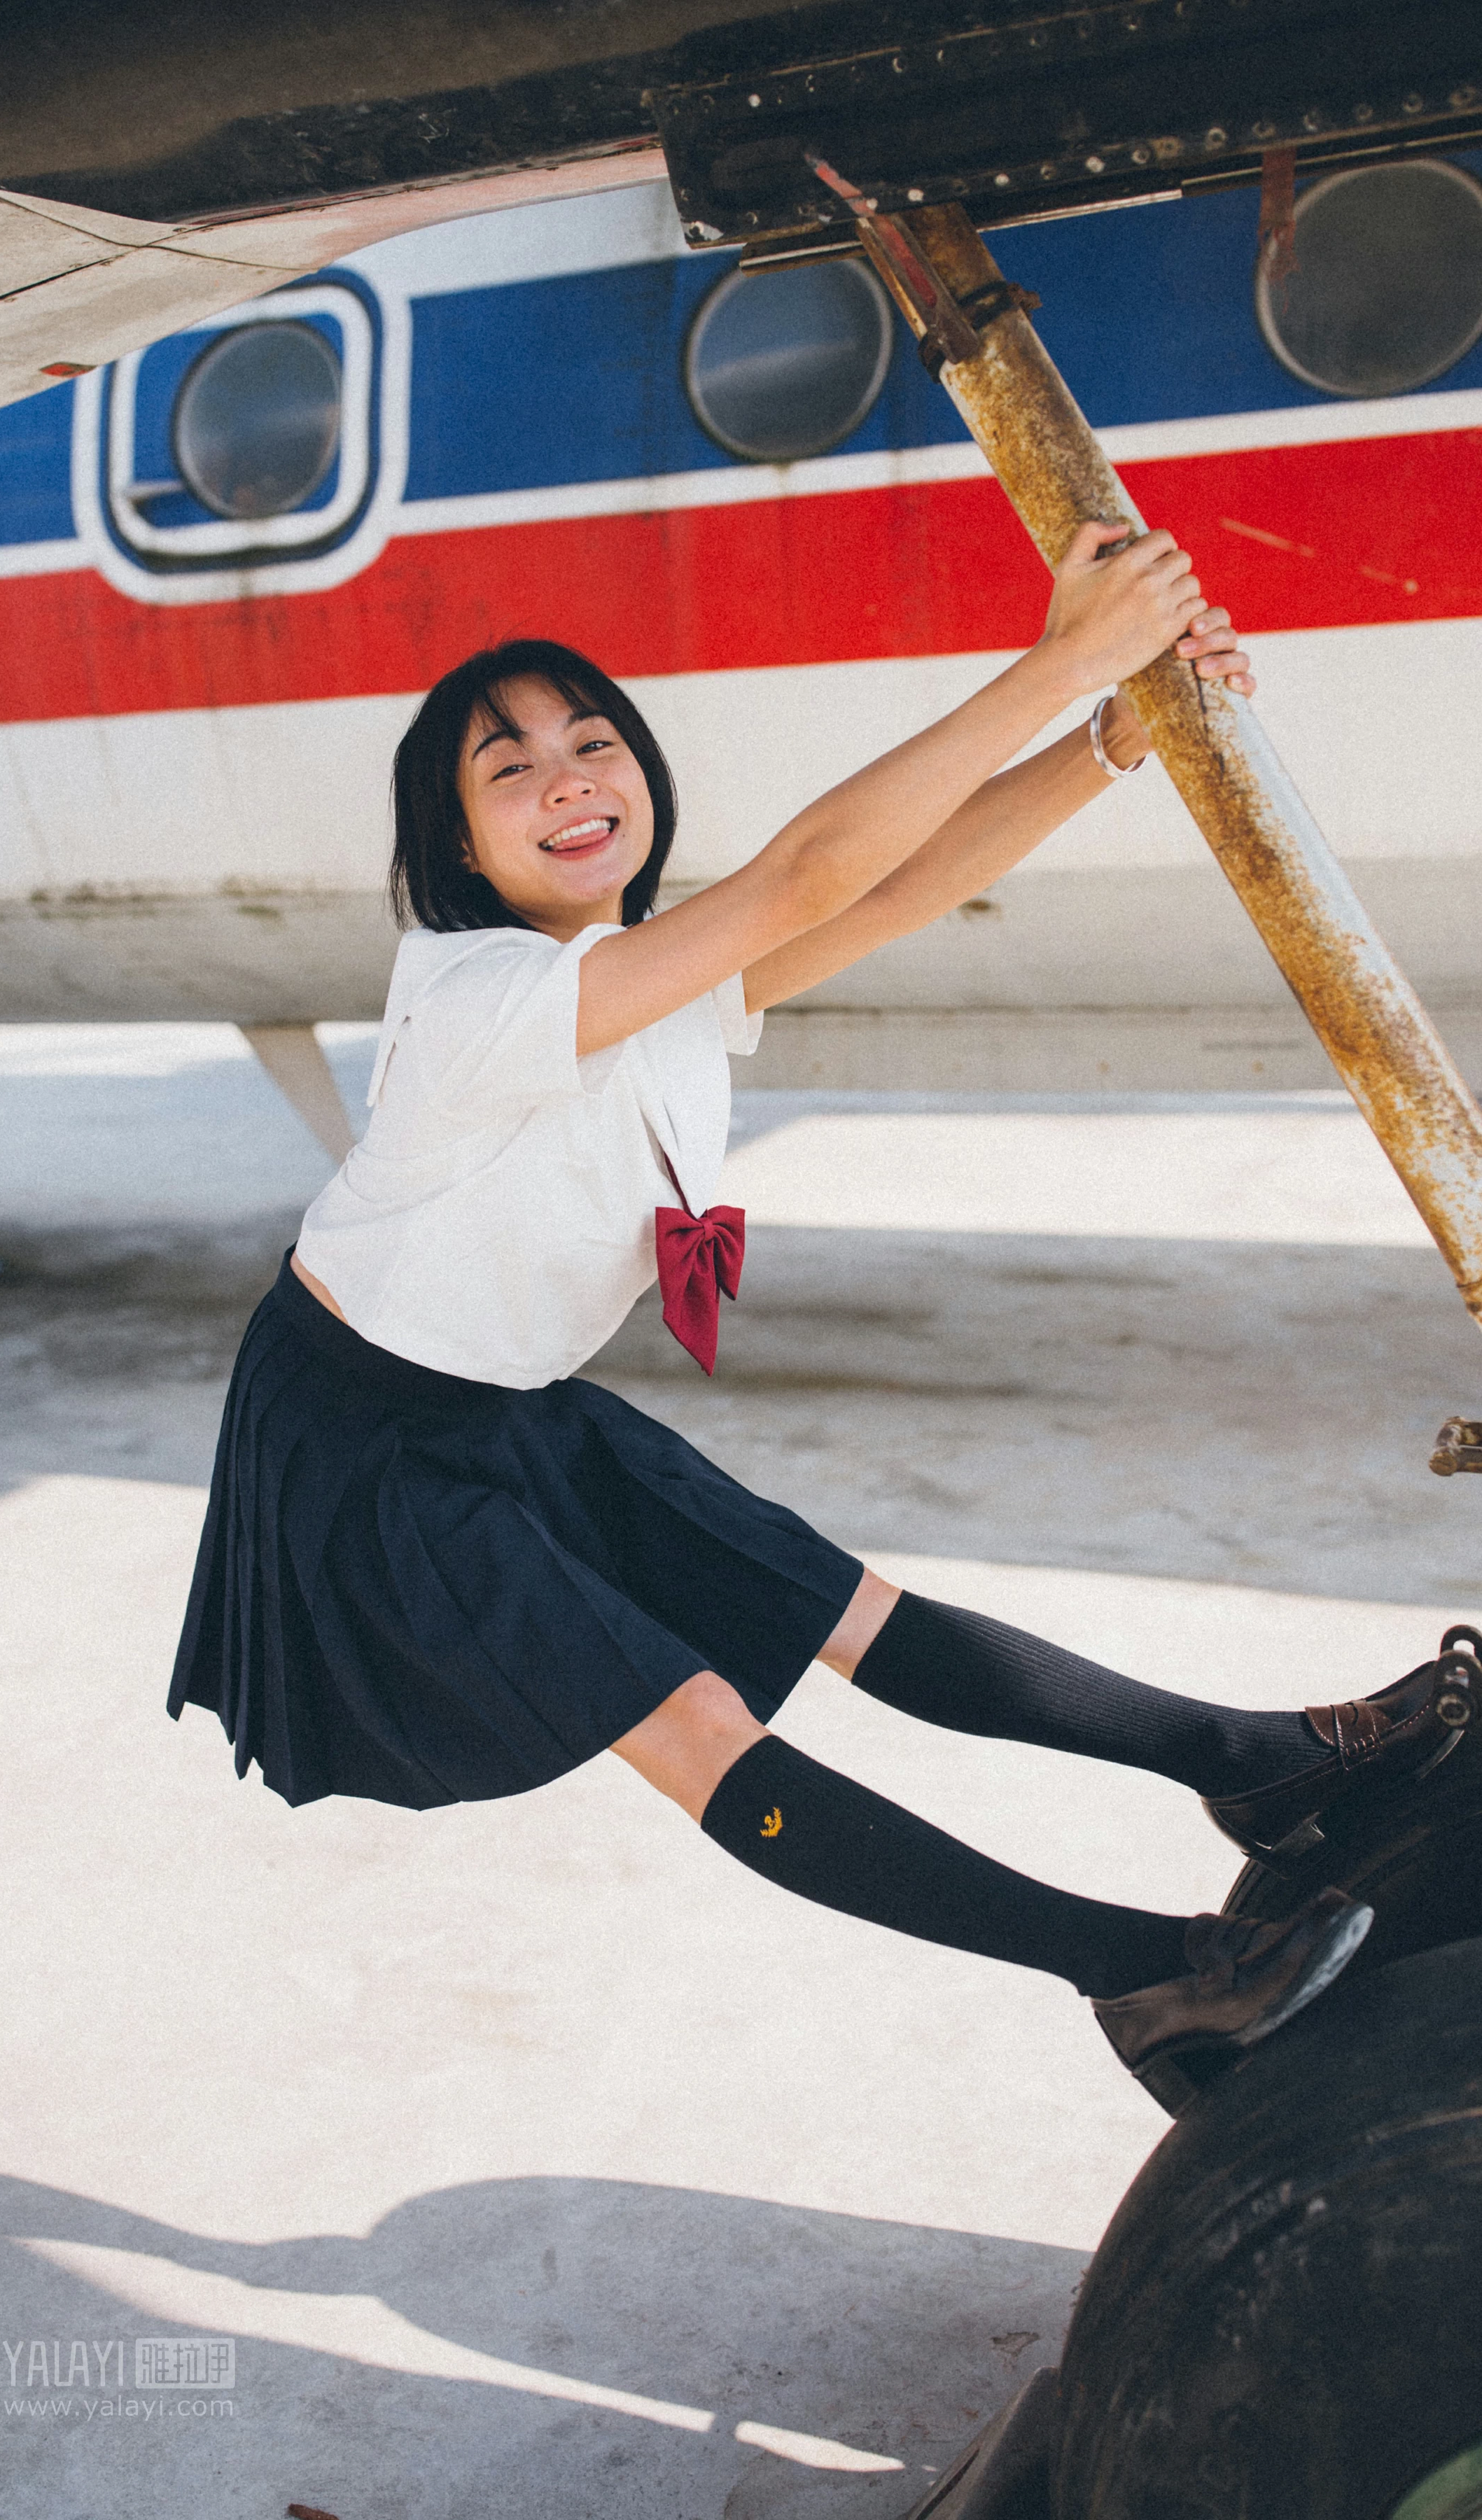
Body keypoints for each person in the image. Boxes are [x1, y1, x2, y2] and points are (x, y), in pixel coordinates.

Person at [170, 522, 1470, 2101]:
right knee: (706, 1724)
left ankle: (1257, 1764)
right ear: (456, 846)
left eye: (593, 741)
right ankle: (1148, 1975)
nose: (566, 774)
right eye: (507, 767)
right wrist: (1071, 655)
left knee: (848, 1609)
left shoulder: (646, 973)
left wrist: (1113, 741)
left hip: (507, 1403)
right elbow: (811, 871)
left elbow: (897, 891)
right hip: (366, 1449)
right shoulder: (481, 995)